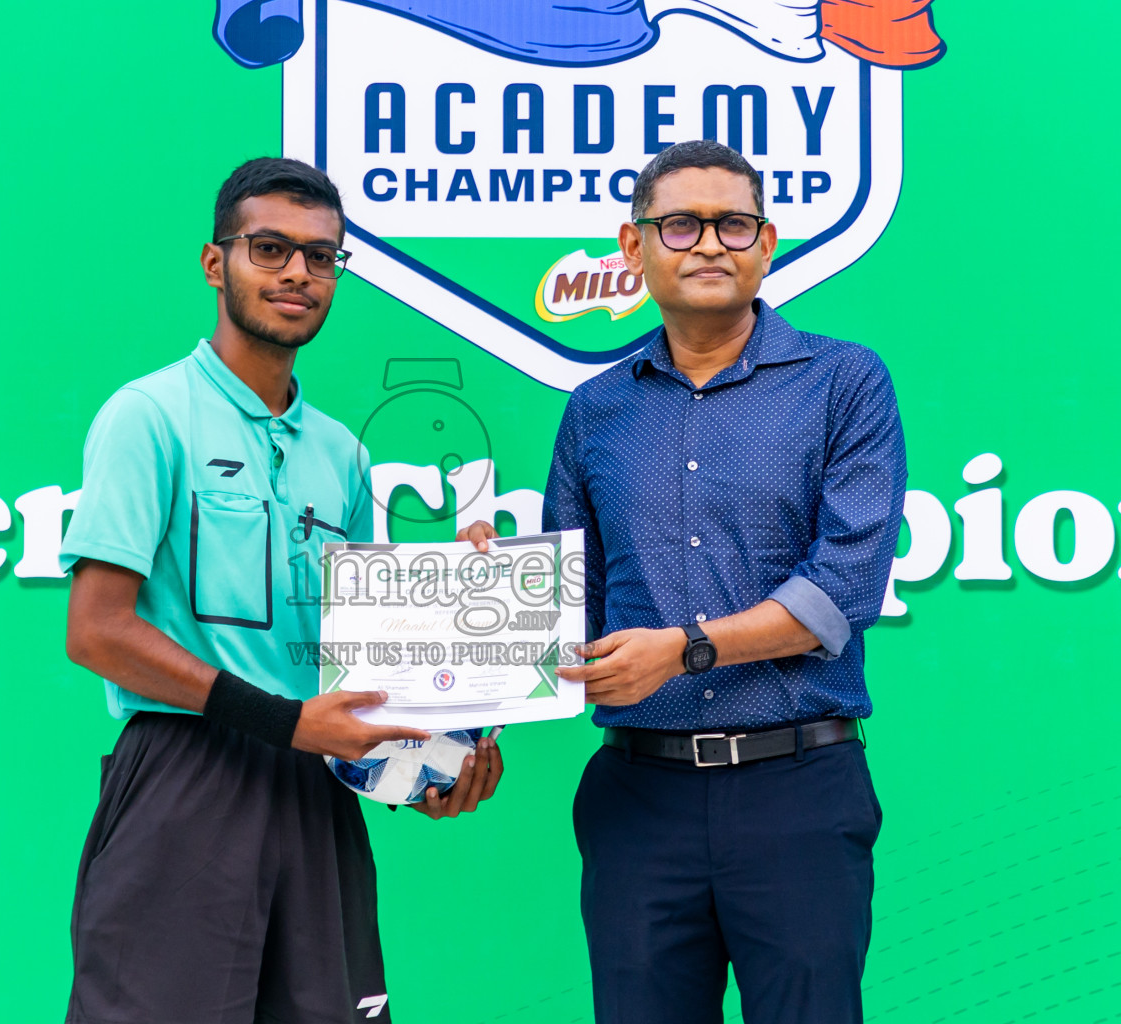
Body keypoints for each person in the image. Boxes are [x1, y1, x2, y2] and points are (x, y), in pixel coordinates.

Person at [459, 138, 906, 1023]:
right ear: (634, 248)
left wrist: (688, 649)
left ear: (768, 242)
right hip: (639, 804)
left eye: (733, 223)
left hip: (798, 790)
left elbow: (842, 589)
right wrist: (489, 598)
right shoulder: (597, 409)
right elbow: (571, 601)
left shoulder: (844, 382)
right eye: (681, 224)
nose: (710, 243)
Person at [60, 156, 504, 1024]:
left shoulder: (341, 453)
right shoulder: (148, 415)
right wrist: (285, 721)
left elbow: (364, 670)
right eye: (270, 248)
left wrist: (440, 739)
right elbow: (97, 632)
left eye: (322, 255)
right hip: (187, 777)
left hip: (316, 789)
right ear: (215, 262)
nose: (298, 272)